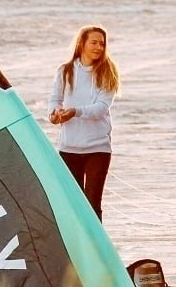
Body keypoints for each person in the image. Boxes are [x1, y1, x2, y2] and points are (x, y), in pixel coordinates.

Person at [47, 25, 121, 220]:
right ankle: (74, 240)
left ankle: (96, 240)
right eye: (94, 43)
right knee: (73, 205)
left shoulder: (107, 72)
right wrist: (54, 114)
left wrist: (75, 112)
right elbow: (55, 99)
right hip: (69, 147)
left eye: (102, 44)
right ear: (82, 43)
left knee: (92, 204)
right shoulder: (65, 71)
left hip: (98, 148)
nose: (99, 47)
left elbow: (101, 108)